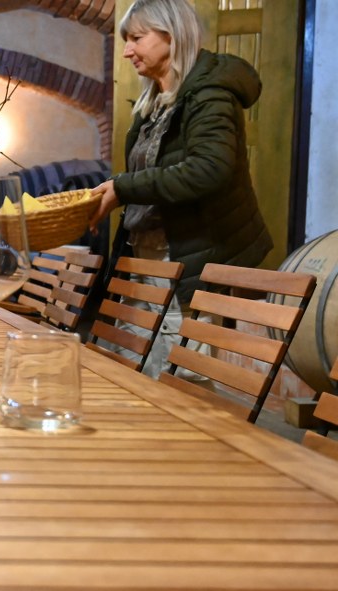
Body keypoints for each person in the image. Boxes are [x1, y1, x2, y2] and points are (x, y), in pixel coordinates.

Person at [88, 0, 272, 378]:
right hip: (146, 256)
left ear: (171, 36)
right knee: (134, 372)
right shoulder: (156, 101)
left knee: (182, 381)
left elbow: (209, 170)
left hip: (188, 256)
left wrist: (123, 188)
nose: (127, 51)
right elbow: (152, 180)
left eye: (137, 38)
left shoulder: (210, 94)